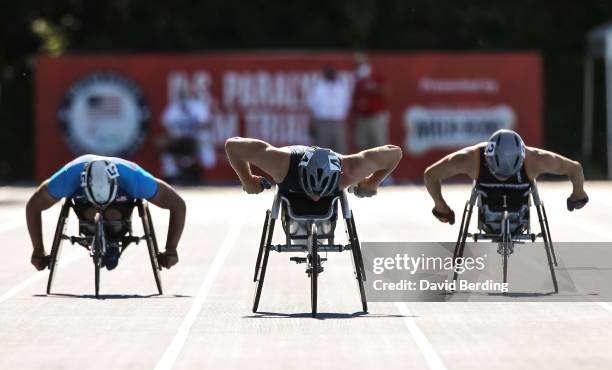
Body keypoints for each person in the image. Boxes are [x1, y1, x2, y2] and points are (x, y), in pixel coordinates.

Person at [26, 155, 186, 271]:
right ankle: (95, 231)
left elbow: (178, 205)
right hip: (84, 202)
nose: (100, 209)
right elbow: (33, 206)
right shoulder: (68, 178)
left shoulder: (136, 179)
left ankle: (114, 242)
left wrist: (171, 248)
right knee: (90, 213)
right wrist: (38, 249)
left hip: (120, 203)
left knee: (113, 214)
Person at [424, 129, 589, 224]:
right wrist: (578, 195)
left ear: (522, 157)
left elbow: (575, 168)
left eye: (508, 173)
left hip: (518, 211)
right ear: (487, 156)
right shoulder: (470, 158)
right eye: (497, 172)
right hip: (489, 209)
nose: (502, 178)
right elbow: (430, 174)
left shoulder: (535, 159)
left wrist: (442, 209)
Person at [224, 137, 402, 201]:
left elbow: (395, 153)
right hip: (292, 163)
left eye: (319, 193)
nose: (316, 199)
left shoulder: (349, 170)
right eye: (312, 192)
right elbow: (232, 146)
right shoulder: (280, 163)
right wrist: (246, 180)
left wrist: (373, 183)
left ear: (339, 176)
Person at [158, 88, 213, 183]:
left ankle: (205, 177)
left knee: (207, 153)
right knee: (164, 146)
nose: (184, 98)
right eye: (182, 96)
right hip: (179, 140)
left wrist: (193, 128)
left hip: (196, 139)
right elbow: (166, 125)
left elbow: (207, 124)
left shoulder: (198, 107)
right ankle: (172, 177)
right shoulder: (174, 108)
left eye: (186, 96)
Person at [306, 64, 352, 154]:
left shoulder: (342, 87)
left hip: (338, 123)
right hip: (323, 123)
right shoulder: (318, 87)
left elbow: (347, 106)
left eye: (333, 72)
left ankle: (340, 168)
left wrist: (345, 123)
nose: (331, 74)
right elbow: (312, 107)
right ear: (324, 74)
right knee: (322, 151)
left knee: (340, 151)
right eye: (329, 72)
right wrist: (312, 124)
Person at [352, 55, 390, 151]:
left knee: (379, 146)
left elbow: (386, 91)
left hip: (376, 117)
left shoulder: (375, 76)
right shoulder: (356, 79)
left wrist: (374, 88)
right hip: (361, 118)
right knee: (363, 147)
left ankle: (381, 166)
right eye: (358, 64)